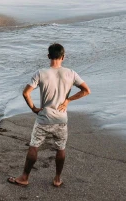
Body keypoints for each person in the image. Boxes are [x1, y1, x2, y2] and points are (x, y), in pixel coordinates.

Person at [8, 43, 91, 188]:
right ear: (63, 57)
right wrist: (68, 100)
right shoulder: (71, 73)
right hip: (61, 119)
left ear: (48, 56)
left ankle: (24, 177)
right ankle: (57, 178)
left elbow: (25, 93)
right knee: (61, 148)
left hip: (44, 118)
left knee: (34, 147)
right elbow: (86, 90)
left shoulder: (41, 73)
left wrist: (34, 108)